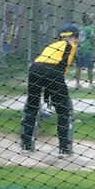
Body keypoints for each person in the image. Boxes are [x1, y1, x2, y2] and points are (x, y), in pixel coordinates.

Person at [21, 24, 78, 155]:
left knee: (31, 107)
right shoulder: (71, 45)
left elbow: (45, 68)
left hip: (34, 69)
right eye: (75, 36)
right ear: (68, 37)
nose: (76, 39)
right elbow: (59, 71)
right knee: (64, 110)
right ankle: (64, 149)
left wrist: (47, 99)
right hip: (53, 72)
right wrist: (50, 98)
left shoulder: (52, 45)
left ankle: (26, 145)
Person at [75, 12, 95, 89]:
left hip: (79, 49)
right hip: (87, 49)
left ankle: (77, 83)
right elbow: (92, 38)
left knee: (78, 66)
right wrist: (94, 46)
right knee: (90, 67)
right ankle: (90, 84)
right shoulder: (90, 28)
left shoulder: (80, 28)